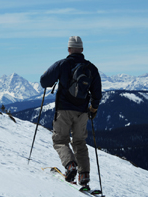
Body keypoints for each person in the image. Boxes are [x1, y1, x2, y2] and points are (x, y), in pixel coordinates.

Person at [40, 36, 102, 186]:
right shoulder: (91, 68)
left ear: (69, 49)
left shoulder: (62, 64)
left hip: (63, 109)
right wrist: (93, 108)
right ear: (82, 49)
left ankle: (70, 165)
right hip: (82, 112)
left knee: (60, 140)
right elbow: (97, 92)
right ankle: (84, 175)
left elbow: (44, 81)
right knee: (80, 142)